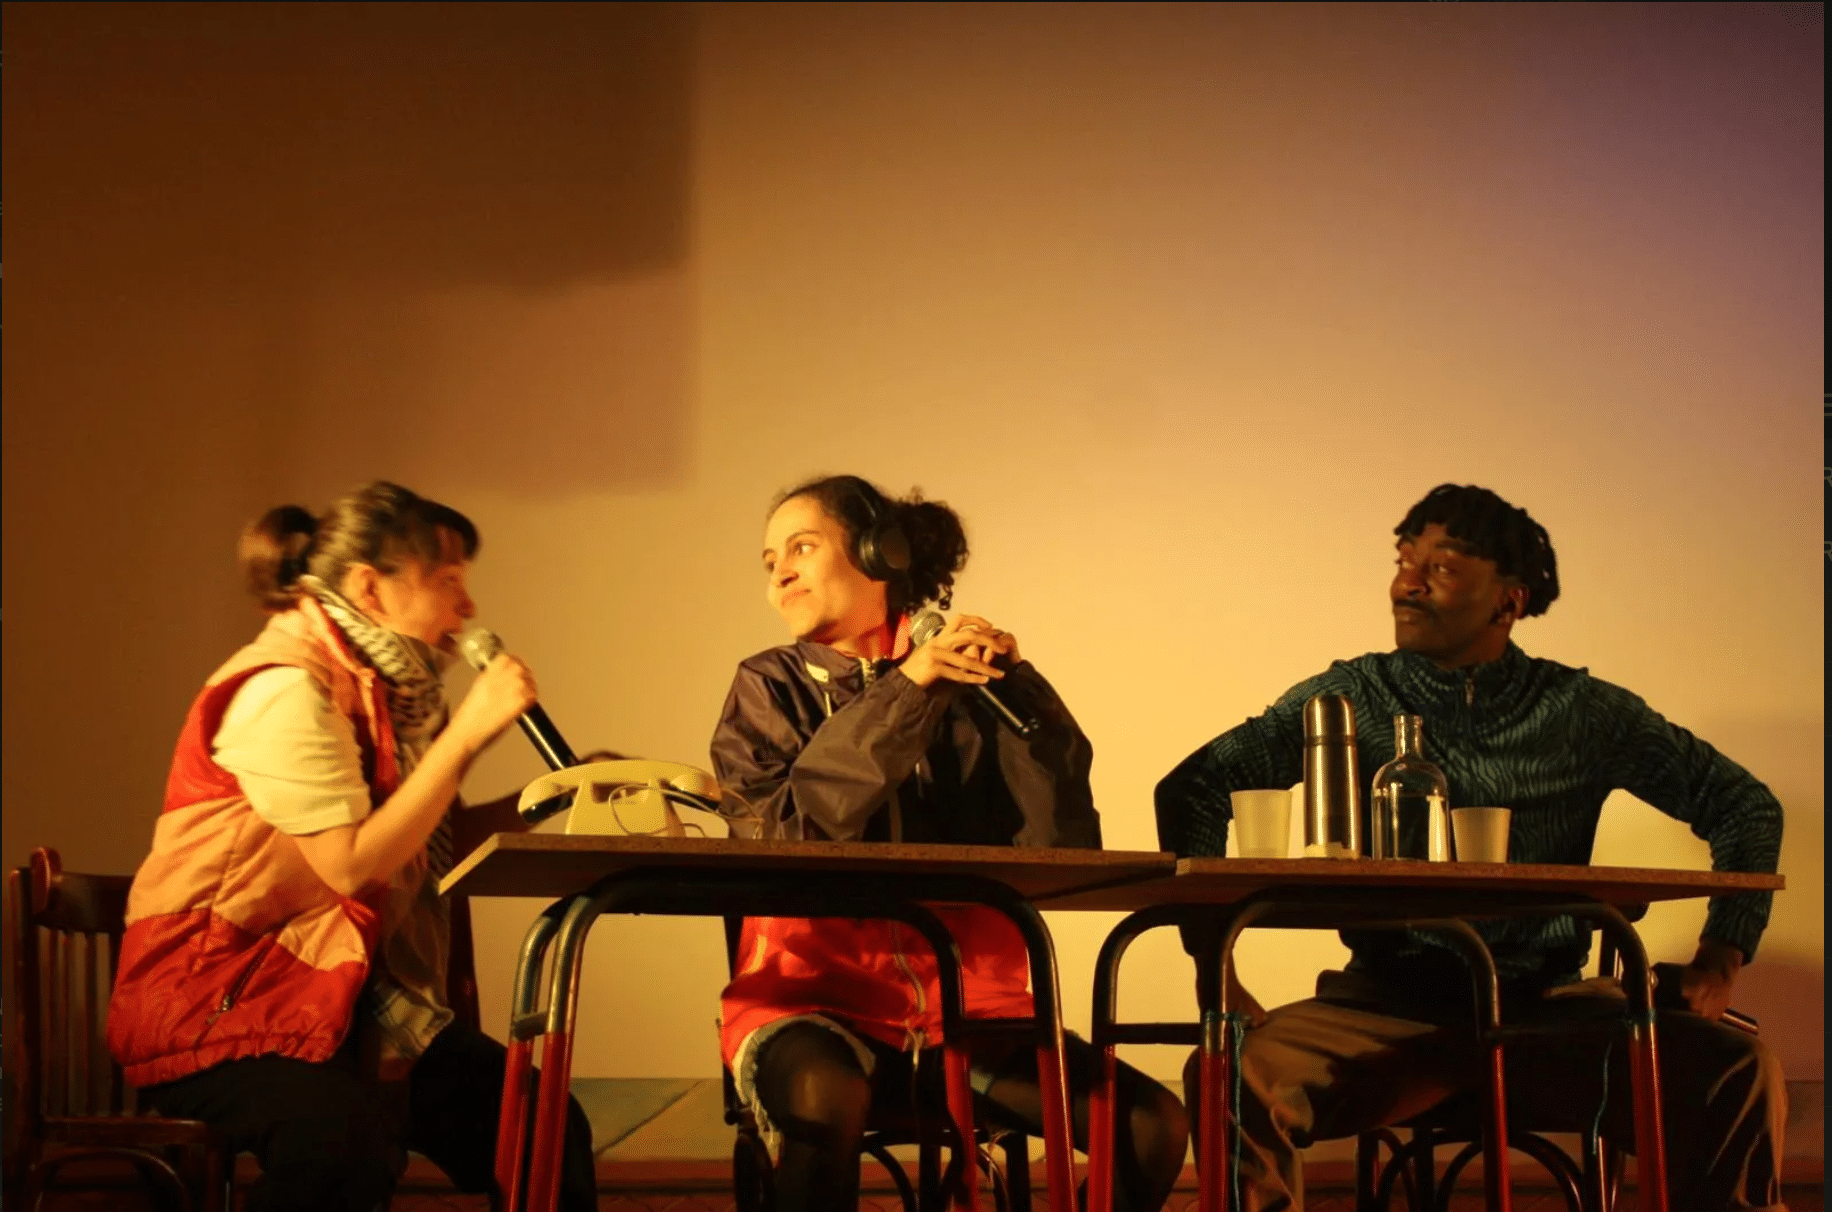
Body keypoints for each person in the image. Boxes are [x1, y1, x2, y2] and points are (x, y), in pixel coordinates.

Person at [1155, 483, 1787, 1212]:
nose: (1407, 584)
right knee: (1228, 1071)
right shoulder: (1353, 695)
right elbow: (1197, 786)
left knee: (1737, 1069)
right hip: (1381, 1014)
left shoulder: (1582, 712)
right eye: (1404, 561)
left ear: (1508, 603)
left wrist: (1720, 961)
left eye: (1442, 568)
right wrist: (1214, 967)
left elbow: (1744, 806)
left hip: (1549, 1017)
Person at [107, 482, 600, 1212]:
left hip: (340, 1000)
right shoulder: (286, 688)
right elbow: (350, 863)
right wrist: (468, 733)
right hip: (222, 1004)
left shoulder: (384, 697)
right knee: (343, 1144)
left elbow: (428, 842)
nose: (468, 608)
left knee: (545, 1126)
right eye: (449, 582)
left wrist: (561, 791)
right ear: (370, 588)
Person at [713, 474, 1189, 1212]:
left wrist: (1020, 690)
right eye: (770, 559)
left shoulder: (969, 688)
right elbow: (787, 833)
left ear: (881, 553)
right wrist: (907, 693)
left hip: (968, 1018)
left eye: (801, 548)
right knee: (824, 1096)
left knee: (1152, 1125)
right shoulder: (767, 686)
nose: (778, 573)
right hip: (810, 1007)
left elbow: (1058, 848)